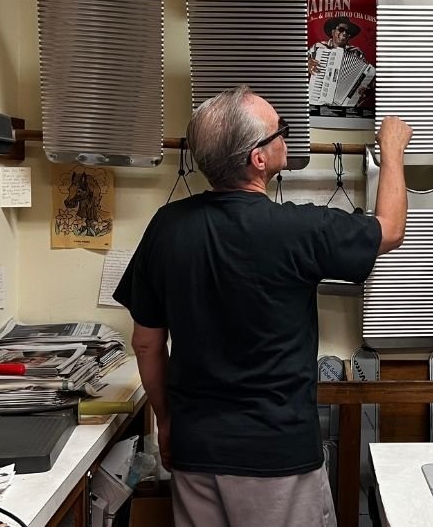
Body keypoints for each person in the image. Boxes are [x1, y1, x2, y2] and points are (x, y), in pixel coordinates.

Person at [114, 85, 412, 527]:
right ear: (258, 158)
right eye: (281, 132)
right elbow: (389, 230)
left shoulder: (166, 227)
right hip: (277, 459)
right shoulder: (297, 229)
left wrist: (167, 424)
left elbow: (146, 344)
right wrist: (391, 153)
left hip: (197, 451)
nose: (286, 140)